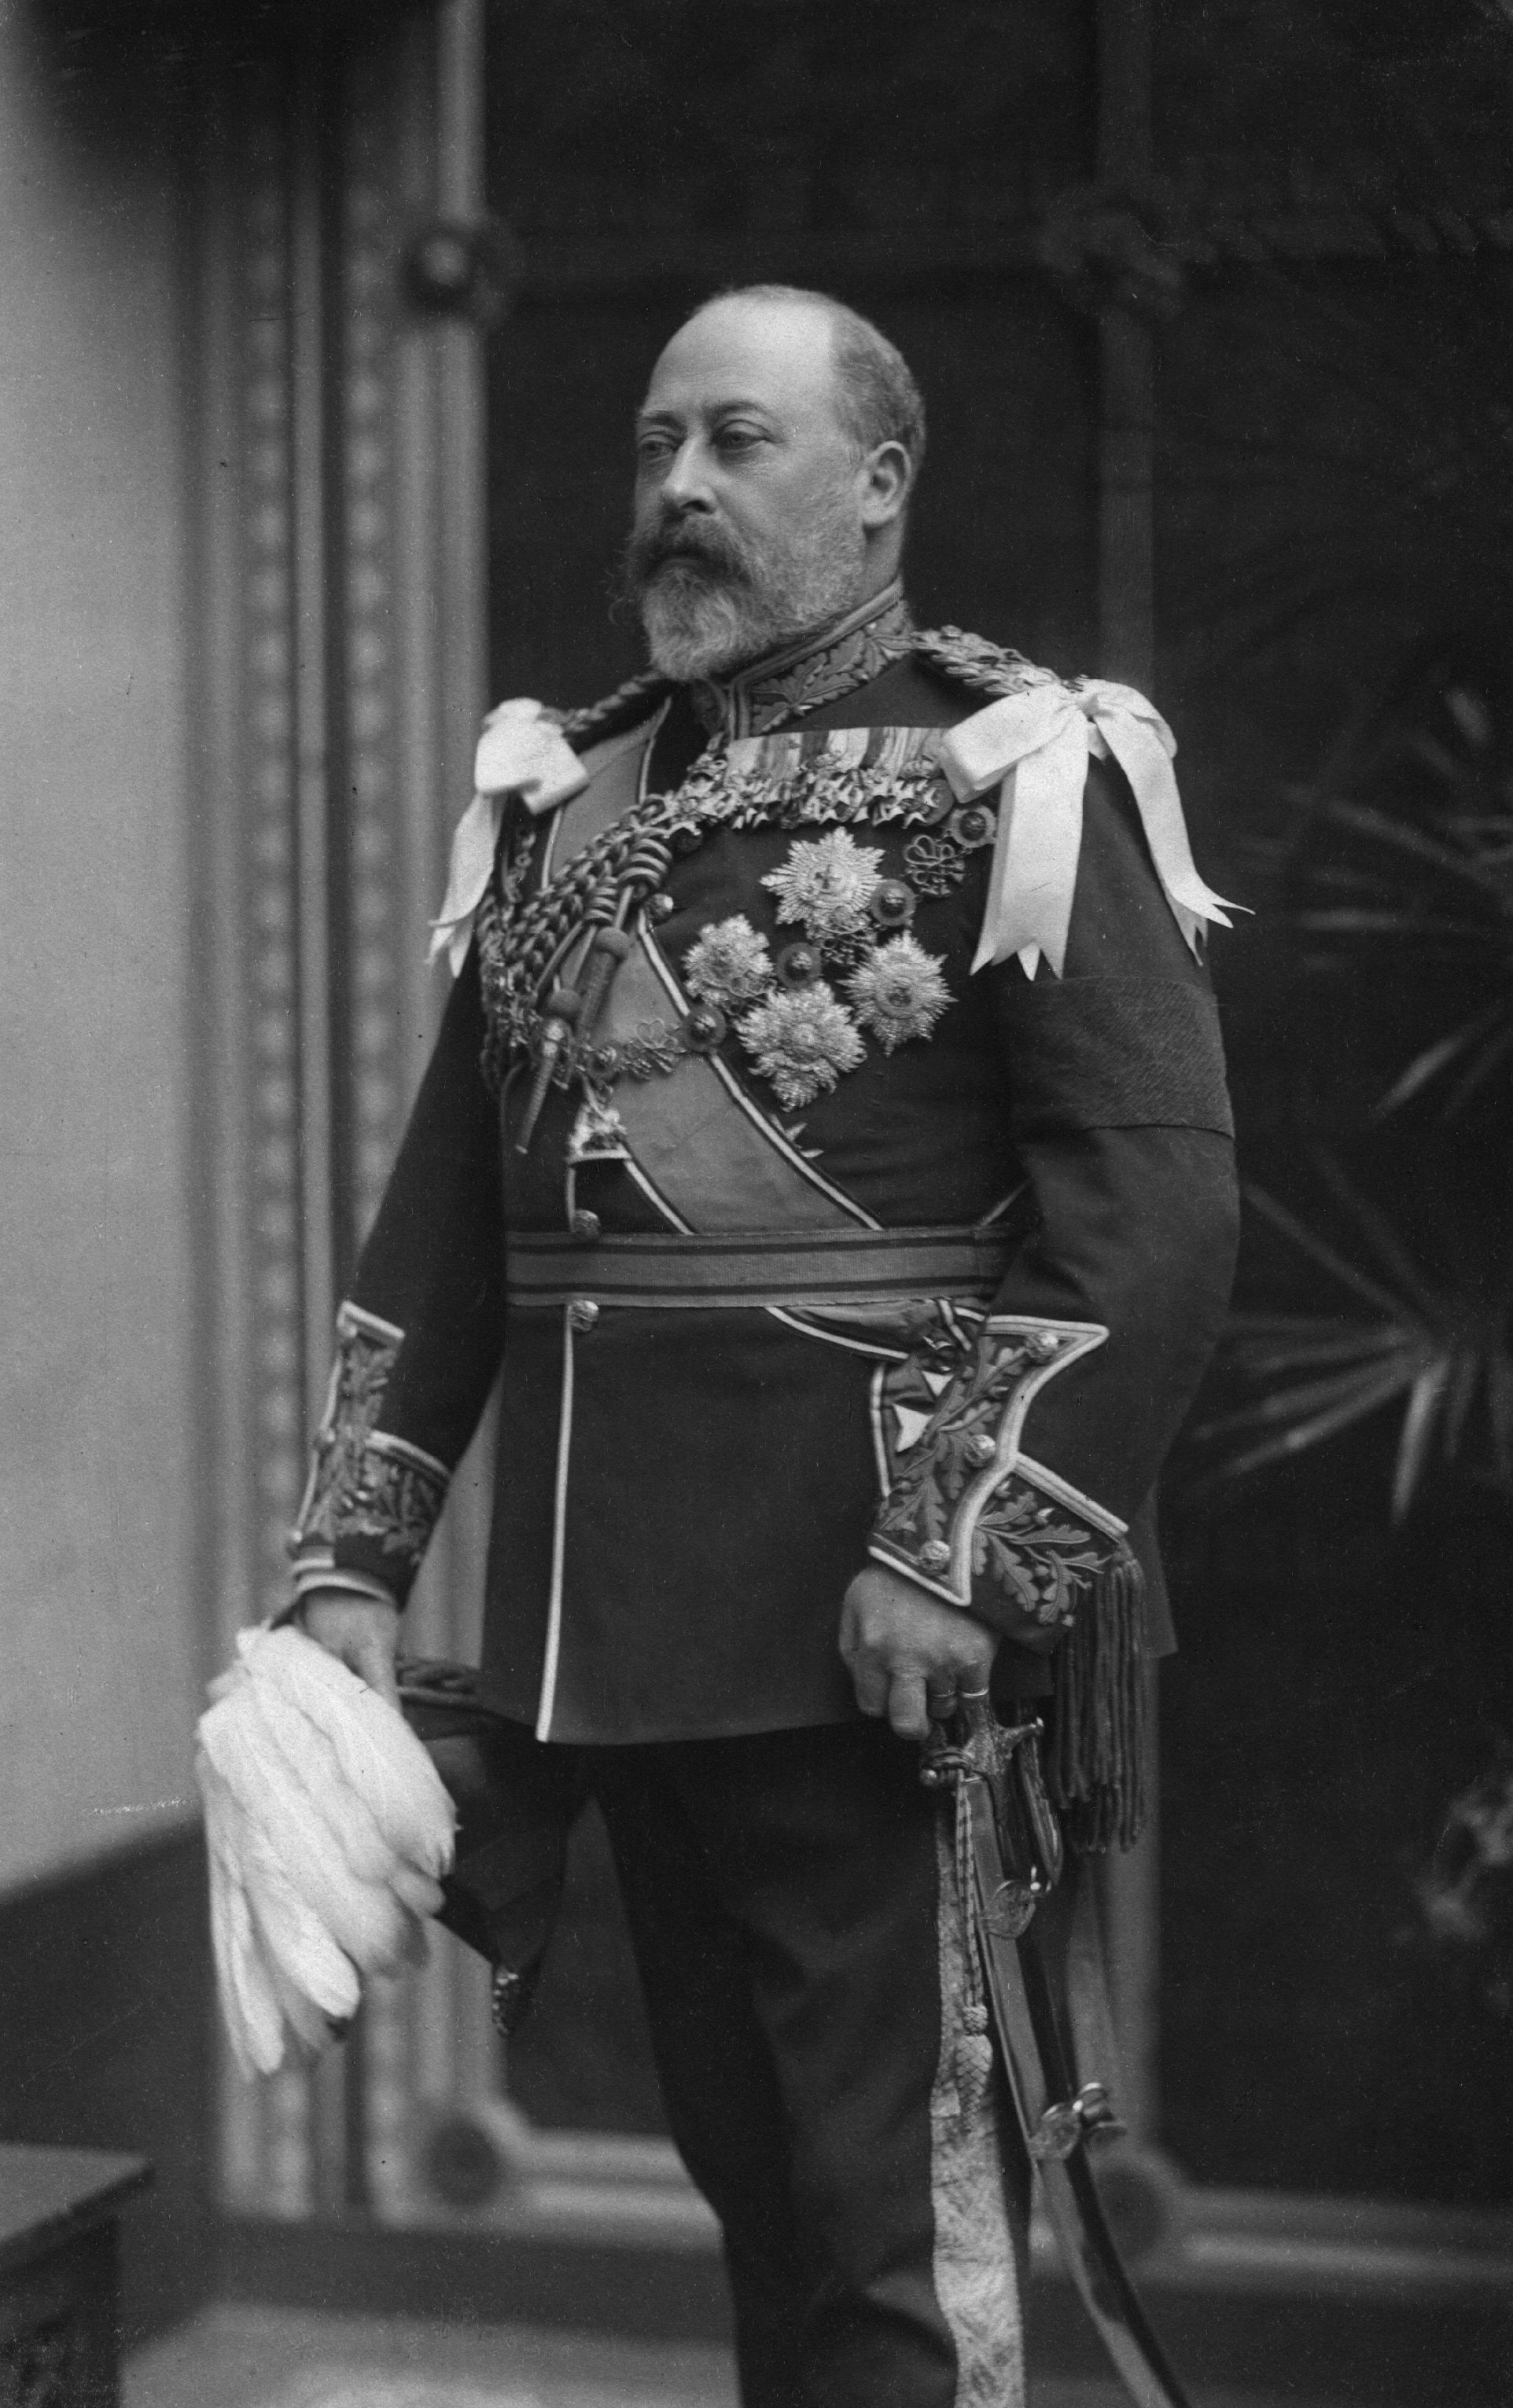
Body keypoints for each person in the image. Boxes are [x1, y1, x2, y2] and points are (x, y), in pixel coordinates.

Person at [289, 285, 1239, 2408]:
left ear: (879, 483)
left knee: (891, 2233)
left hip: (867, 1627)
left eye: (739, 443)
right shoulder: (575, 789)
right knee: (769, 2208)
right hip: (611, 1630)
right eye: (655, 449)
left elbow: (1148, 1215)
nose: (681, 492)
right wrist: (349, 1550)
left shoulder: (1017, 765)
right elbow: (452, 1217)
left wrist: (949, 1561)